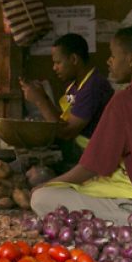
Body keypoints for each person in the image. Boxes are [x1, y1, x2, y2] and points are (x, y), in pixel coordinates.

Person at [30, 26, 132, 223]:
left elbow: (91, 167)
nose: (109, 61)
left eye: (113, 55)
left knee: (42, 198)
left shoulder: (125, 100)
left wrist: (50, 184)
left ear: (131, 59)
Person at [20, 33, 113, 166]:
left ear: (74, 59)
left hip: (93, 159)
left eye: (58, 62)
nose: (54, 68)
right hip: (77, 153)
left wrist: (40, 101)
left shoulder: (93, 87)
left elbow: (66, 132)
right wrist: (43, 96)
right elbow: (64, 121)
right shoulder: (73, 85)